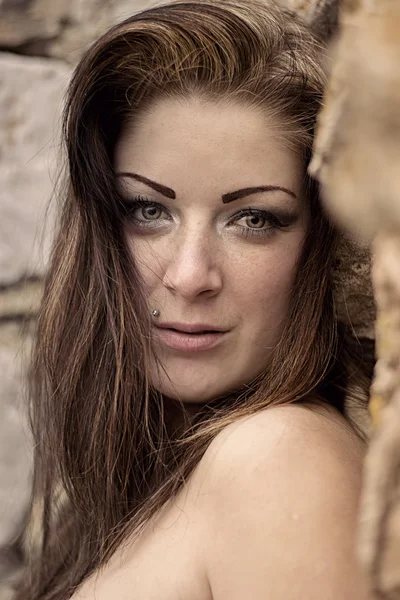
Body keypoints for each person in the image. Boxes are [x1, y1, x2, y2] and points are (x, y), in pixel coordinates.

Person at [15, 1, 375, 599]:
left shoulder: (278, 460)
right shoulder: (142, 486)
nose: (189, 276)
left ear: (317, 247)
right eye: (148, 210)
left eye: (255, 218)